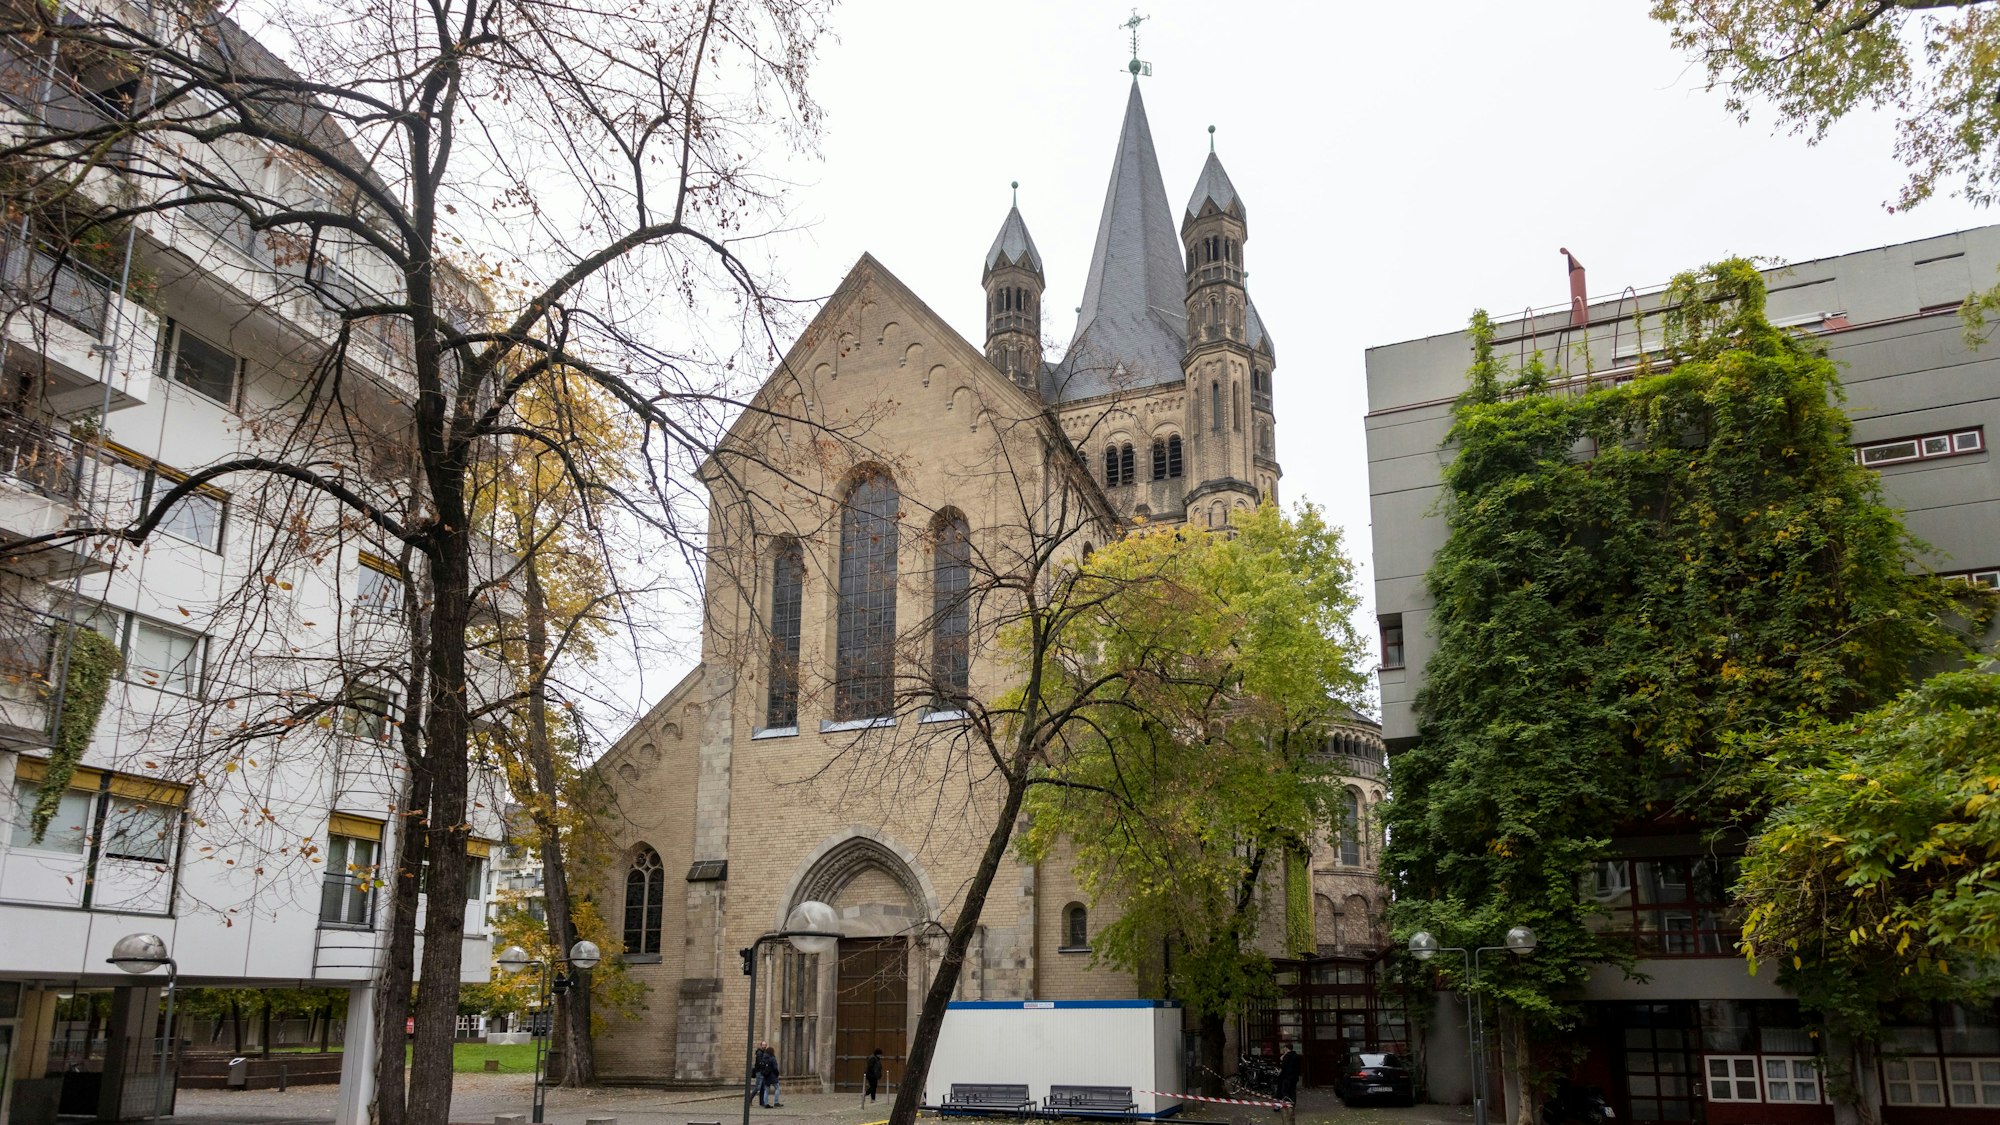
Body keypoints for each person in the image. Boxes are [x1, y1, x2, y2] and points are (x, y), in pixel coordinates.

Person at [1274, 1040, 1302, 1119]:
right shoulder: (1296, 1056)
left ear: (1286, 1048)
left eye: (1284, 1048)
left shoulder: (1287, 1056)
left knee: (1285, 1091)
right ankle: (1292, 1106)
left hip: (1286, 1077)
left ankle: (1286, 1105)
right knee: (1292, 1091)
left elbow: (1283, 1066)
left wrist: (1281, 1060)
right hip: (1294, 1078)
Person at [762, 1043, 784, 1107]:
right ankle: (776, 1102)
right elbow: (775, 1068)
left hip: (766, 1075)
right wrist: (777, 1074)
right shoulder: (772, 1058)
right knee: (777, 1088)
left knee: (766, 1090)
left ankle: (765, 1103)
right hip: (772, 1076)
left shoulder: (764, 1058)